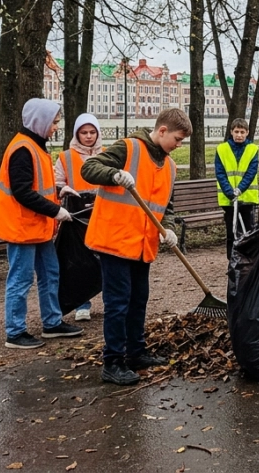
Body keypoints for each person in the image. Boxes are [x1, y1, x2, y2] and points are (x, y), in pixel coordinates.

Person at [82, 108, 189, 386]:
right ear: (162, 131)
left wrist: (170, 230)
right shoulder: (128, 147)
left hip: (143, 245)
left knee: (138, 299)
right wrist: (114, 174)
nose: (179, 146)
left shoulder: (170, 167)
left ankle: (136, 352)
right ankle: (113, 361)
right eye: (177, 139)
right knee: (118, 303)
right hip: (115, 241)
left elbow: (167, 206)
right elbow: (89, 168)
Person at [0, 98, 83, 350]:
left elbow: (35, 186)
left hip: (37, 226)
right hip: (21, 228)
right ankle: (15, 332)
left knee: (50, 274)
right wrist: (56, 211)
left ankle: (52, 323)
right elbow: (22, 192)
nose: (55, 127)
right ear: (40, 122)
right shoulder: (23, 148)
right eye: (53, 122)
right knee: (21, 280)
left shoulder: (35, 146)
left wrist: (60, 190)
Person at [54, 113, 103, 321]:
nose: (89, 136)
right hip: (75, 213)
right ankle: (83, 302)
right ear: (77, 134)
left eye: (92, 132)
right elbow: (56, 182)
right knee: (79, 259)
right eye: (84, 133)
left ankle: (109, 299)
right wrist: (62, 189)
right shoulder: (66, 157)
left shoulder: (106, 155)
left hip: (100, 210)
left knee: (104, 258)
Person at [214, 118, 259, 261]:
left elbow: (251, 173)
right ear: (231, 132)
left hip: (247, 198)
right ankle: (232, 260)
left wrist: (240, 189)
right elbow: (220, 172)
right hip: (229, 200)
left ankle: (248, 259)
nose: (239, 135)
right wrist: (229, 192)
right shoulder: (221, 149)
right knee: (231, 232)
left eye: (242, 132)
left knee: (248, 231)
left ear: (247, 133)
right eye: (236, 132)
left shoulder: (253, 149)